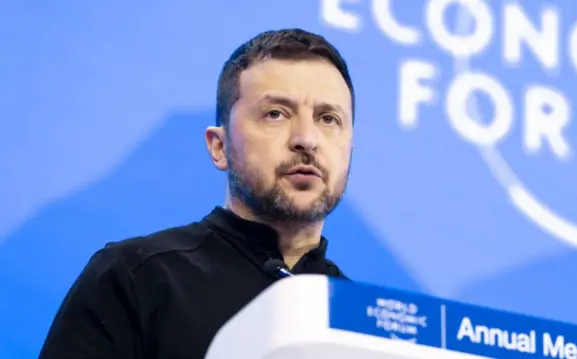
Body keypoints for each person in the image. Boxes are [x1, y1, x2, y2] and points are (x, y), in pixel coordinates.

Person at [39, 28, 355, 359]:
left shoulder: (366, 322)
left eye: (328, 119)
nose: (307, 138)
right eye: (275, 113)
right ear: (220, 147)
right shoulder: (134, 278)